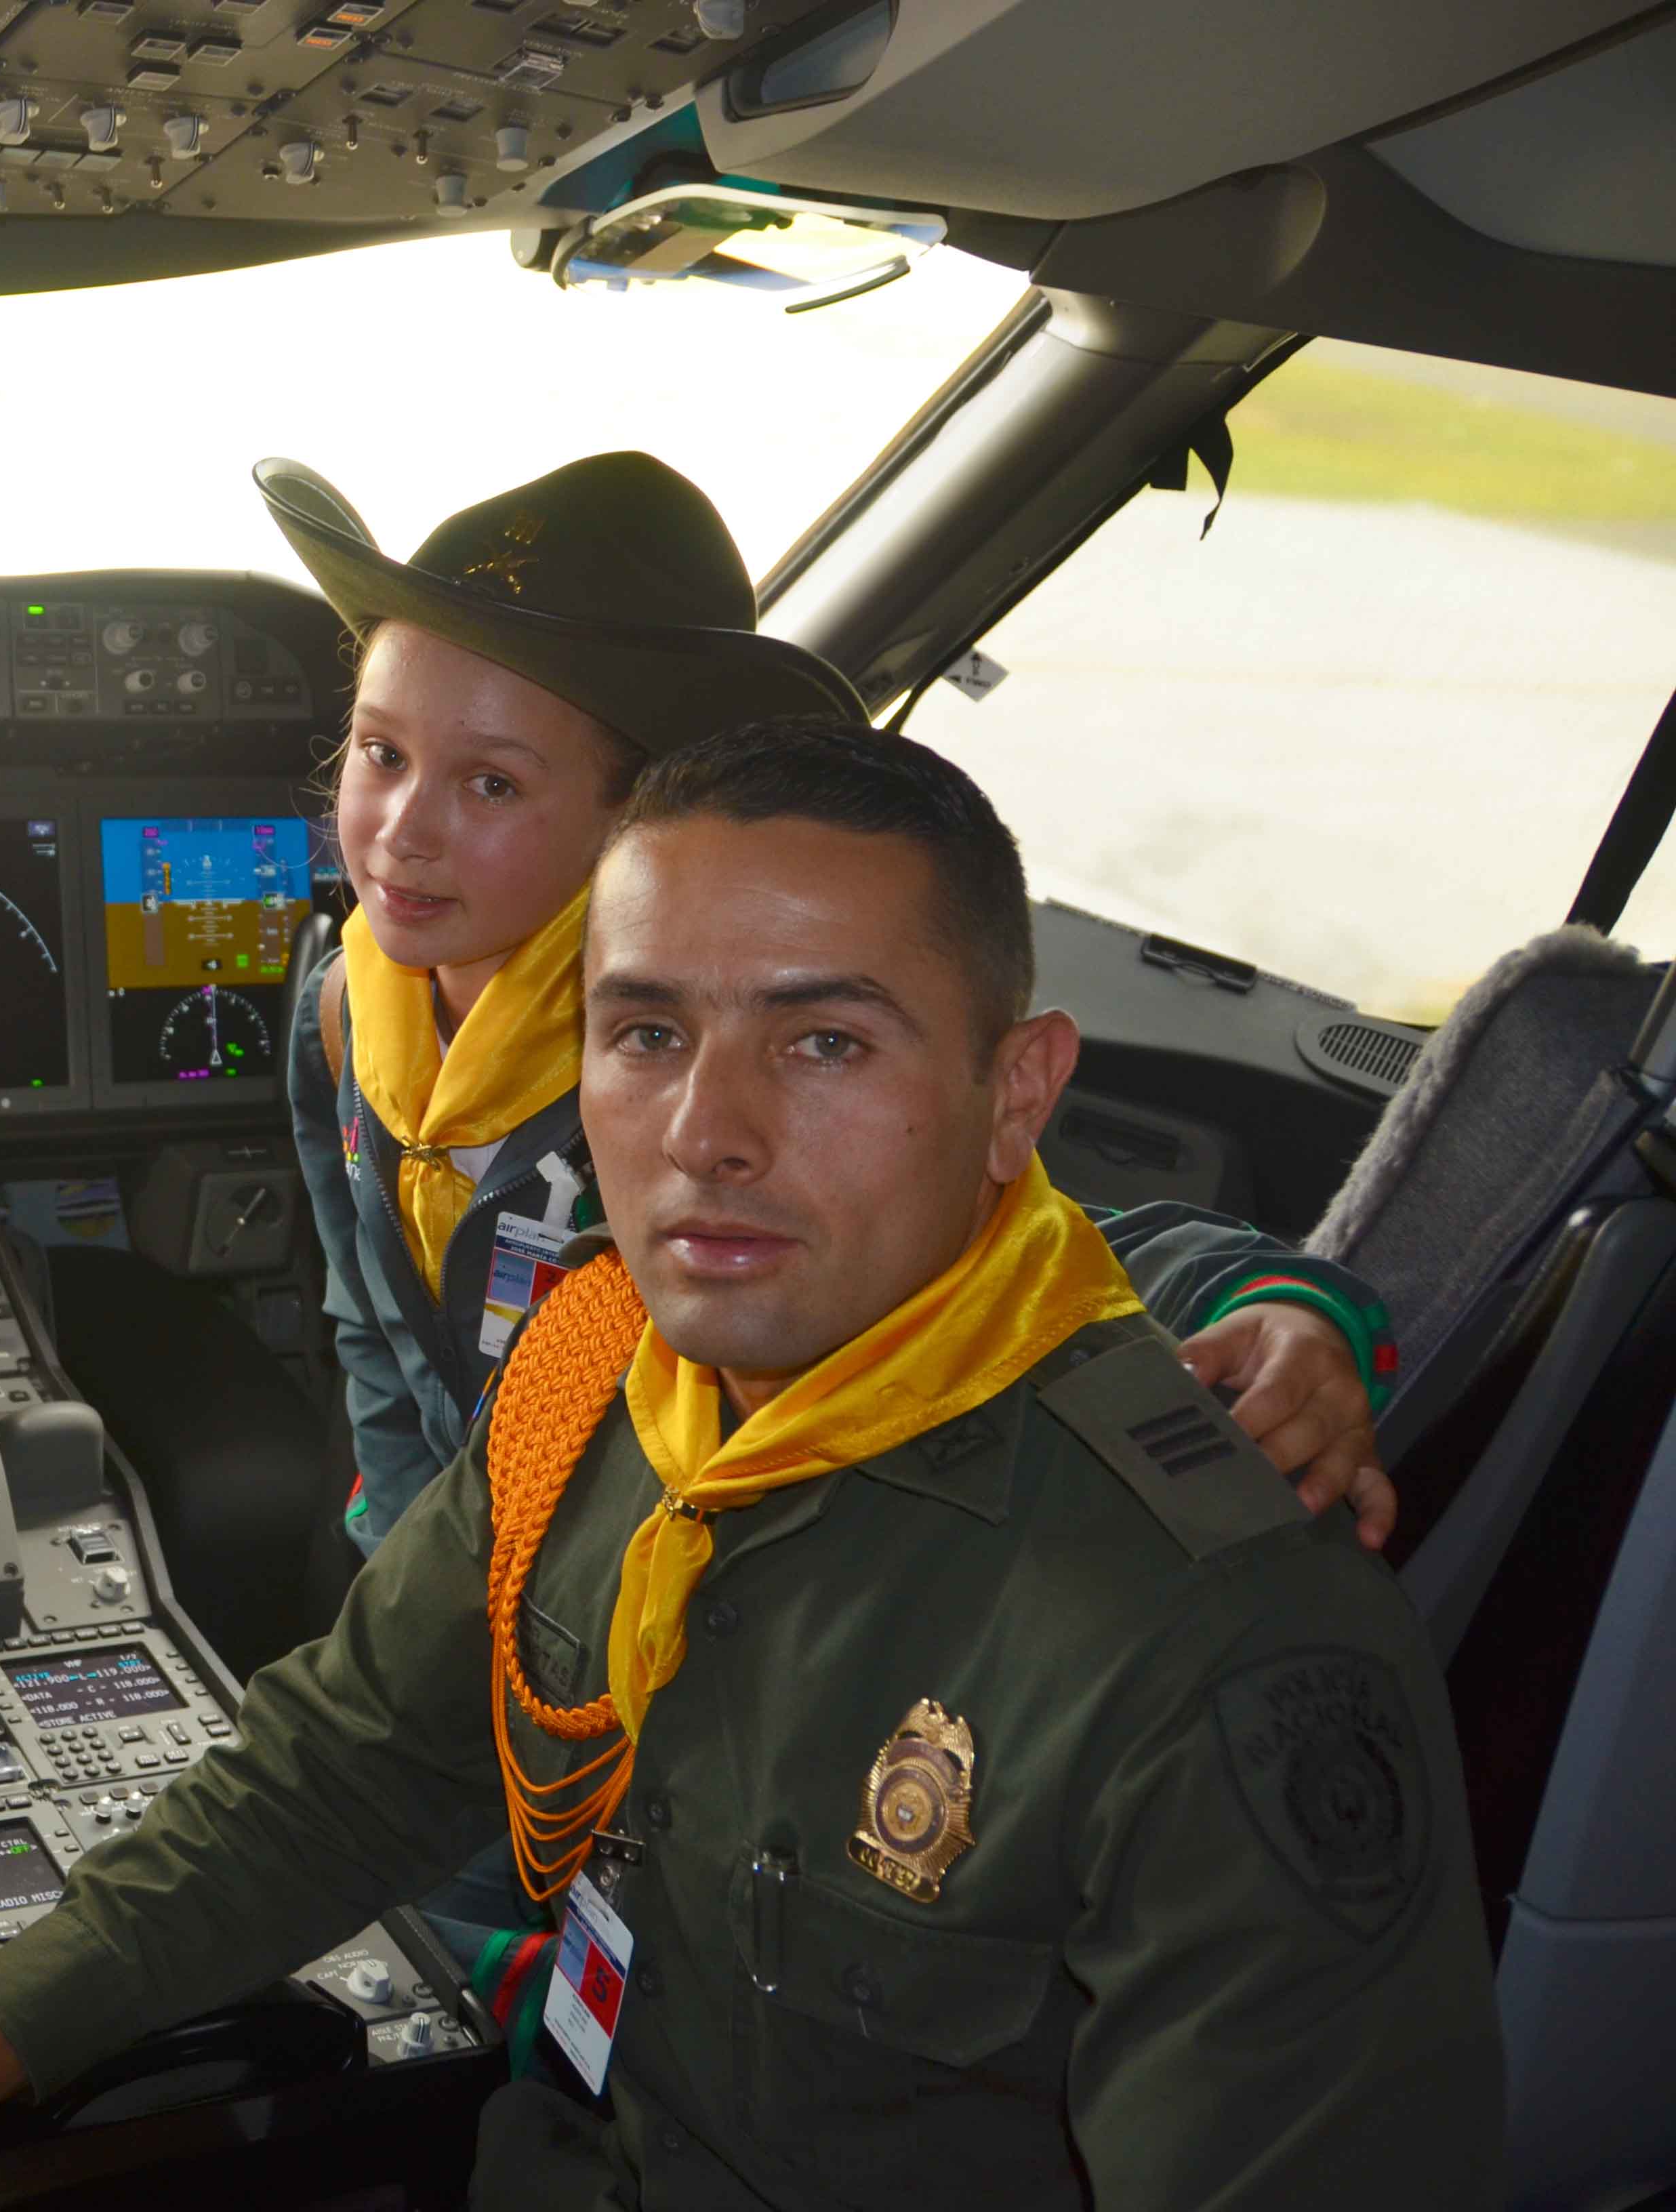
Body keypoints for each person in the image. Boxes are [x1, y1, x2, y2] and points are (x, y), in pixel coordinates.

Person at [0, 719, 1500, 2212]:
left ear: (1016, 1092)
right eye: (647, 1033)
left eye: (823, 1039)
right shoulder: (601, 1392)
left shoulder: (1213, 1640)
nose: (706, 1135)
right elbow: (339, 1774)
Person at [268, 451, 1406, 2024]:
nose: (400, 830)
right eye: (378, 754)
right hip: (489, 1604)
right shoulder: (342, 1007)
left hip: (701, 1641)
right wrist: (418, 1572)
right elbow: (370, 1331)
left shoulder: (693, 1084)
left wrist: (1290, 1314)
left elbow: (1059, 1250)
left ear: (632, 826)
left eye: (492, 786)